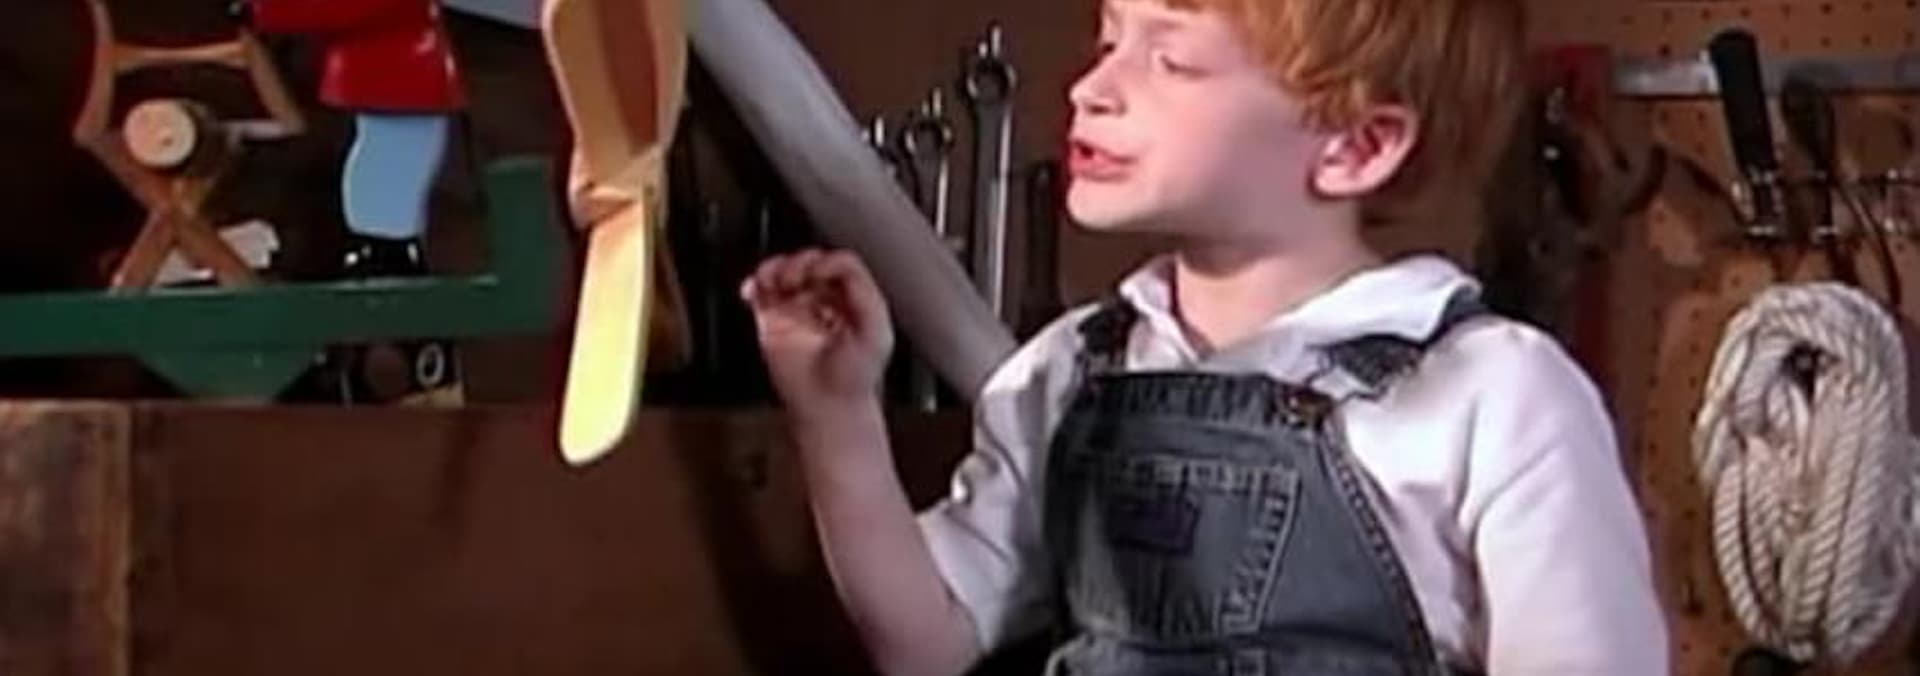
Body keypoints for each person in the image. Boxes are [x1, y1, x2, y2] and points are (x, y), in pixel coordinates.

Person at [740, 0, 1669, 673]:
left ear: (1354, 146)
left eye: (1172, 60)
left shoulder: (1496, 397)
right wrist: (836, 415)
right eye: (1109, 38)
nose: (1092, 89)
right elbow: (925, 642)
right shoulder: (1071, 373)